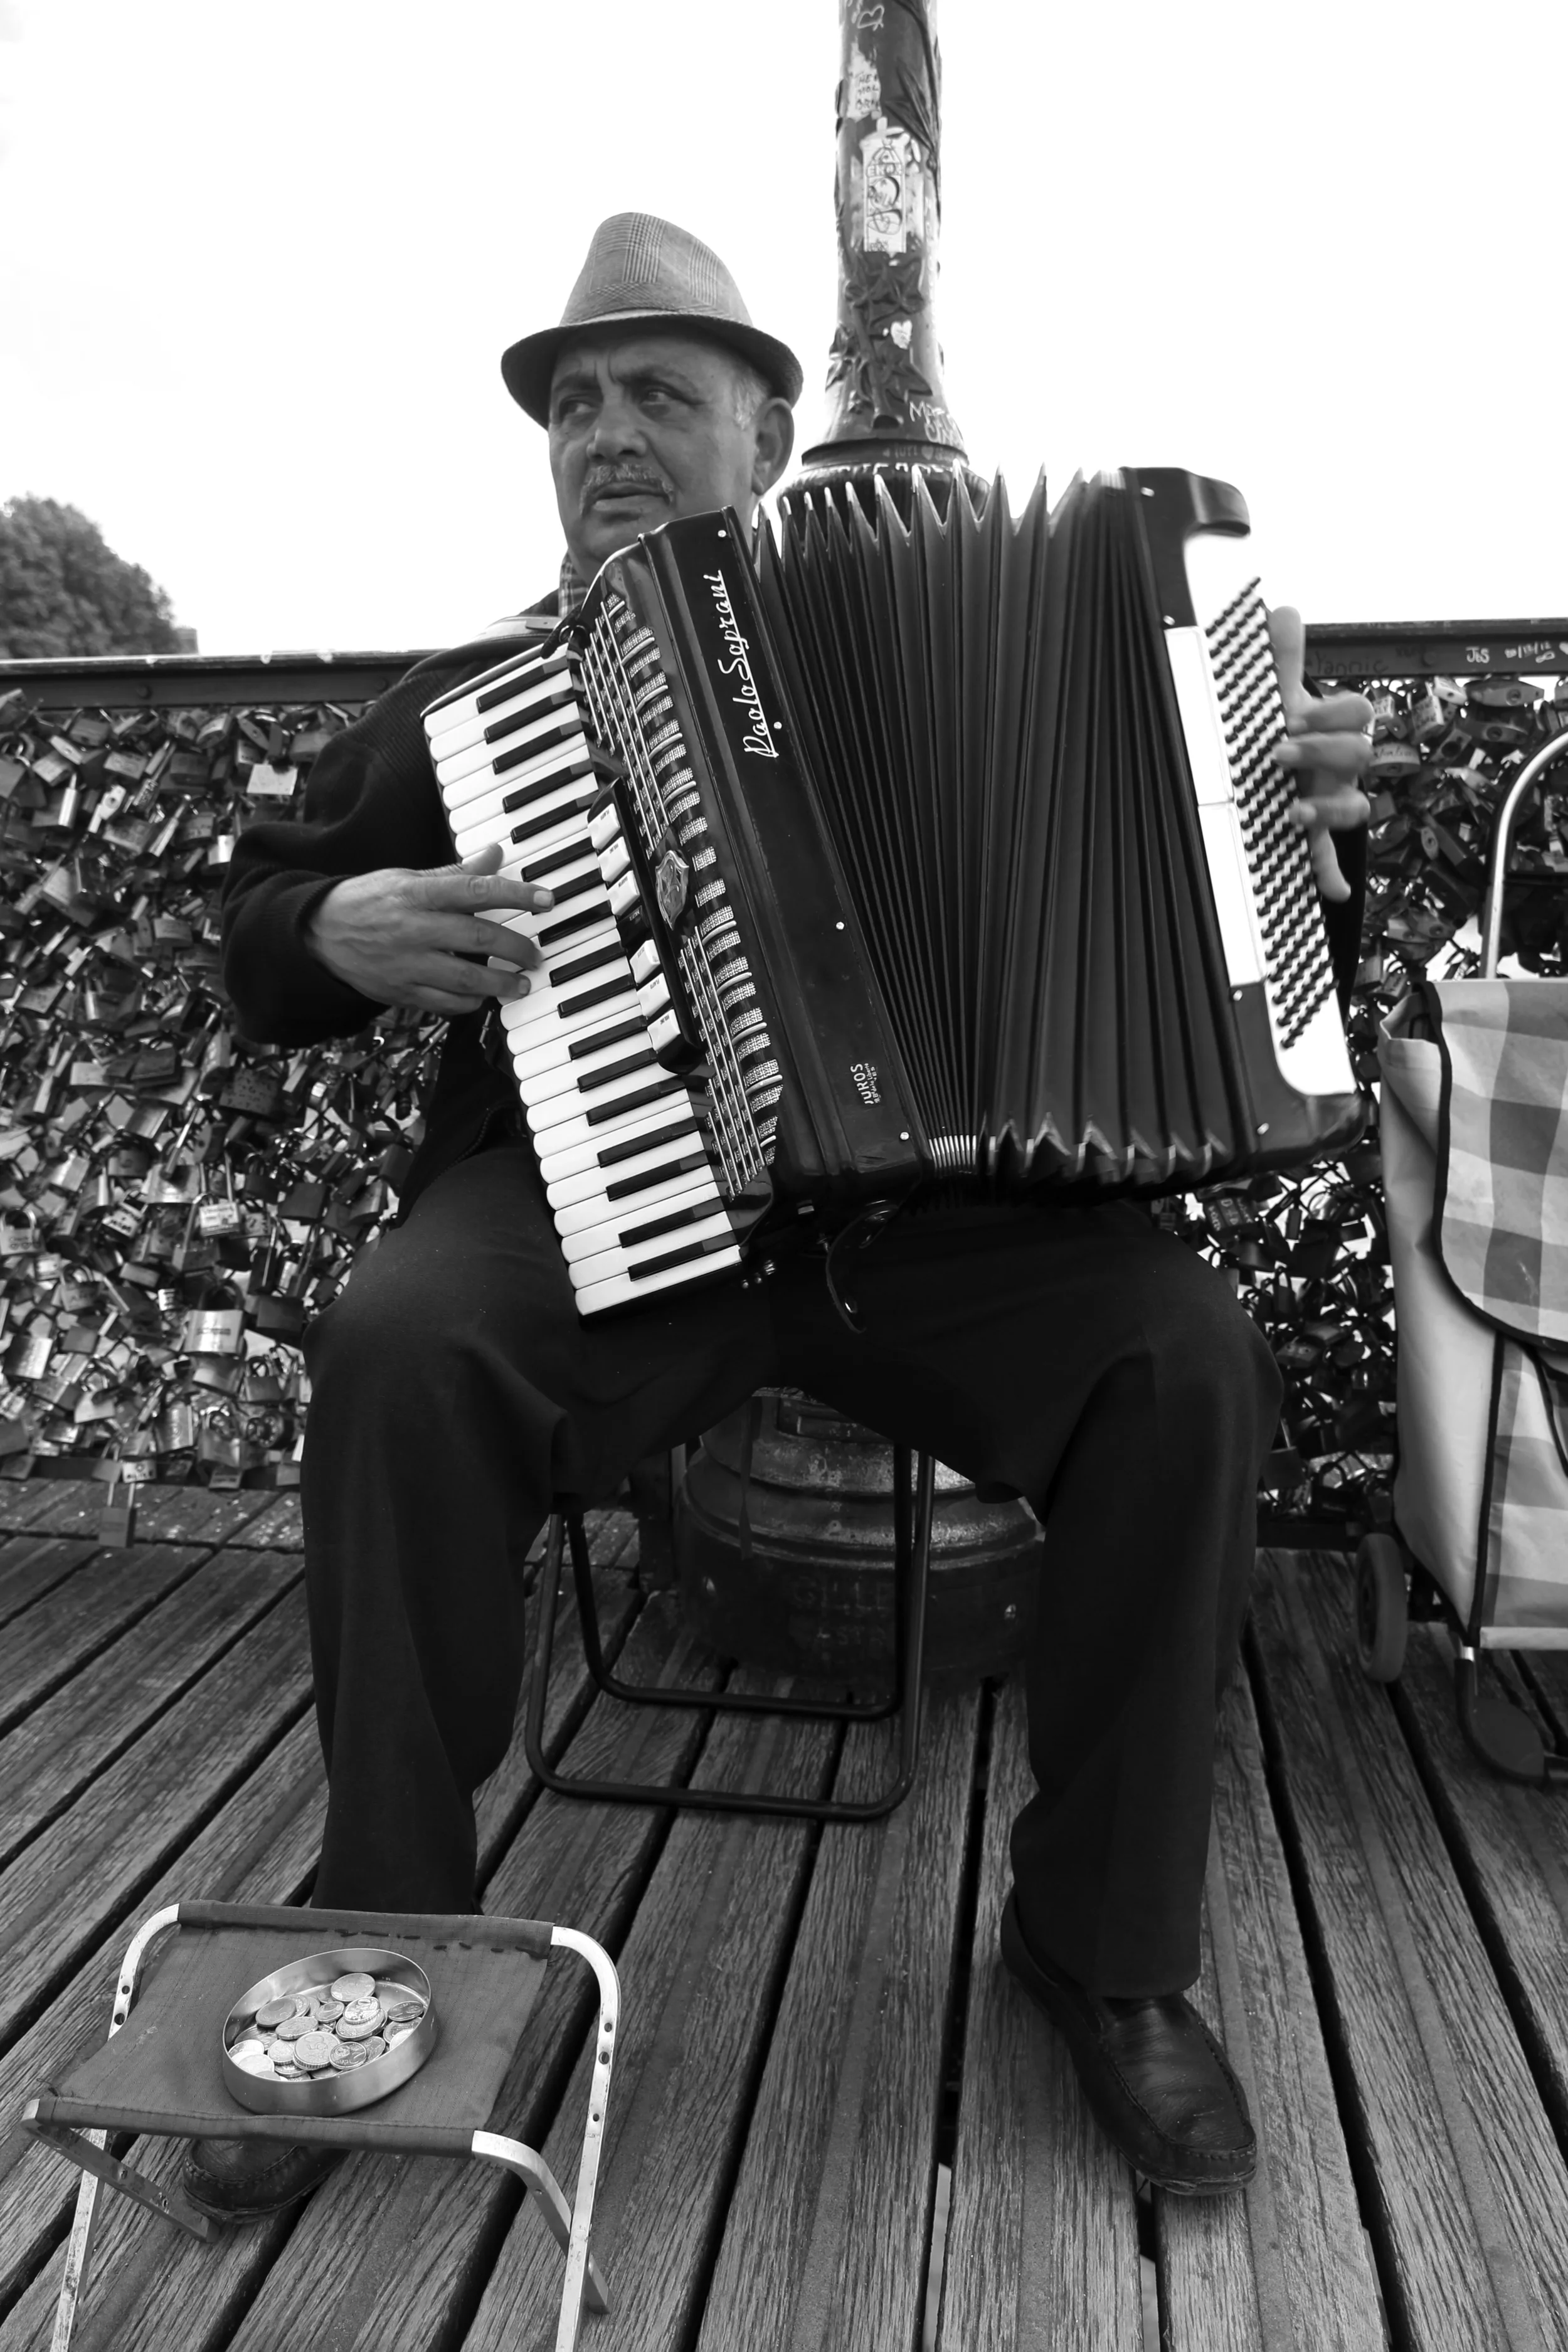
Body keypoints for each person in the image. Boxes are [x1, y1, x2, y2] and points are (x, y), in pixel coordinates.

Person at [194, 215, 1372, 2223]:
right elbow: (254, 937)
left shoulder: (1014, 620)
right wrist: (340, 922)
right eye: (574, 402)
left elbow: (1225, 942)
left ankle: (1100, 1947)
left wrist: (1282, 839)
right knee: (400, 1338)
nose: (606, 433)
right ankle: (387, 1935)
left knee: (1178, 1353)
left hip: (936, 1233)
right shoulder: (474, 698)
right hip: (594, 1204)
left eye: (659, 393)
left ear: (765, 429)